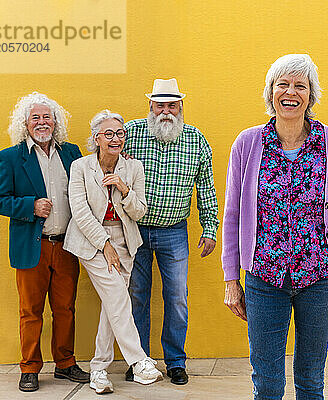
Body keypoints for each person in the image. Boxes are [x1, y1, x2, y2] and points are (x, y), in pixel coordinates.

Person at [222, 53, 328, 400]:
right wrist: (230, 279)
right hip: (264, 277)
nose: (291, 92)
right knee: (267, 382)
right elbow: (233, 215)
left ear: (311, 96)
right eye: (283, 84)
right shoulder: (248, 143)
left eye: (301, 85)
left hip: (321, 277)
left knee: (311, 380)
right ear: (271, 93)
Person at [0, 92, 89, 392]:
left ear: (55, 122)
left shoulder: (72, 154)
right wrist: (30, 206)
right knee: (30, 311)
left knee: (65, 309)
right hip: (33, 245)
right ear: (26, 123)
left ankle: (65, 364)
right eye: (36, 118)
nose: (42, 122)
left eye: (47, 117)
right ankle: (30, 367)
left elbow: (92, 180)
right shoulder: (10, 157)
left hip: (67, 246)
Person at [123, 78, 219, 385]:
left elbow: (206, 186)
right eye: (160, 105)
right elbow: (105, 163)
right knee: (136, 296)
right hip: (133, 229)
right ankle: (138, 360)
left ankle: (176, 361)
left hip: (174, 231)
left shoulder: (195, 139)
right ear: (150, 106)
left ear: (181, 107)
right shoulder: (130, 134)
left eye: (172, 106)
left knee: (177, 297)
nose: (166, 111)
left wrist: (210, 227)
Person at [63, 110, 163, 394]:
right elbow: (80, 212)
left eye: (119, 133)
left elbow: (139, 211)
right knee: (118, 296)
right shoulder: (81, 167)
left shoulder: (133, 168)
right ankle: (139, 360)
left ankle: (98, 370)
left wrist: (124, 188)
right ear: (96, 137)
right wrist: (105, 245)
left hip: (126, 240)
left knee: (112, 305)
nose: (115, 138)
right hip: (91, 241)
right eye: (108, 133)